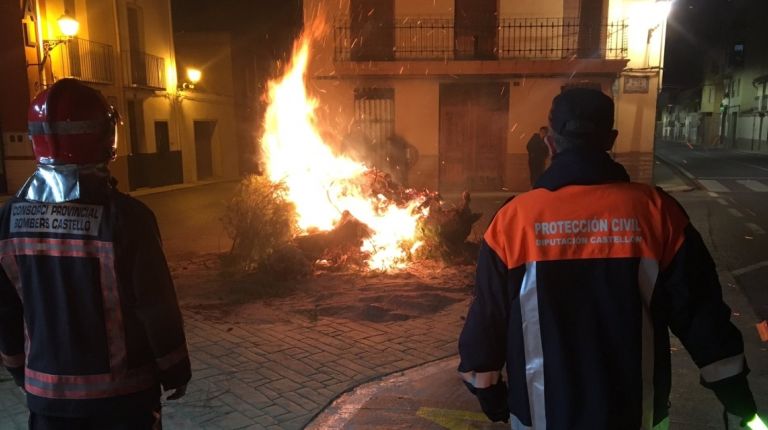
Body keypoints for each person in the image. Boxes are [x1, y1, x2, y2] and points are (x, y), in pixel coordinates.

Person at [458, 88, 759, 429]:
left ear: (550, 142)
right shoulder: (657, 213)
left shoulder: (514, 221)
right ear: (612, 139)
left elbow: (487, 317)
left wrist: (490, 393)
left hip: (541, 417)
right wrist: (738, 401)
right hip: (637, 416)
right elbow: (701, 314)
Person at [0, 79, 191, 429]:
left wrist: (16, 367)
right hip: (122, 402)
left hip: (48, 401)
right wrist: (175, 367)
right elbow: (155, 305)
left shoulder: (7, 220)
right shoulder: (128, 218)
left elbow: (5, 310)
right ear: (105, 136)